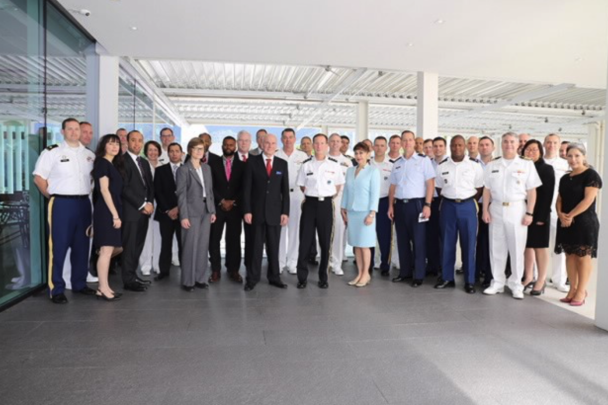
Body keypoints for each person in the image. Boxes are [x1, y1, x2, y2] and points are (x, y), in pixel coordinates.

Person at [33, 118, 97, 303]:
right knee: (58, 247)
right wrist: (52, 197)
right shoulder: (52, 152)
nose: (74, 132)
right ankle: (57, 289)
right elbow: (39, 178)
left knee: (82, 246)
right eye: (70, 129)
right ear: (62, 131)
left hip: (84, 203)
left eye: (77, 129)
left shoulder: (89, 155)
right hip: (61, 204)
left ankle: (79, 283)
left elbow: (92, 181)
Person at [482, 132, 541, 300]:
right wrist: (485, 210)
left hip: (517, 209)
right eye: (506, 141)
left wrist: (530, 212)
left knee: (516, 249)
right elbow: (486, 189)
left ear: (518, 145)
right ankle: (497, 283)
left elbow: (532, 191)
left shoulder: (526, 164)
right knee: (496, 248)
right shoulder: (493, 164)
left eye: (512, 142)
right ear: (501, 144)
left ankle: (516, 285)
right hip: (496, 208)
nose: (508, 144)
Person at [434, 135, 484, 294]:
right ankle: (447, 278)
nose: (457, 148)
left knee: (469, 244)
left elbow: (480, 187)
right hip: (448, 206)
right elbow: (439, 188)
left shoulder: (474, 166)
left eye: (460, 145)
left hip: (468, 206)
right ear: (450, 146)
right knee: (447, 243)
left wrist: (466, 200)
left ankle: (469, 280)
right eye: (454, 145)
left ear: (465, 147)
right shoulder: (442, 166)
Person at [296, 134, 345, 289]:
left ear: (327, 145)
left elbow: (337, 186)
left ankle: (323, 277)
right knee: (304, 241)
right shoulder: (306, 165)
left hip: (326, 205)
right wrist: (313, 195)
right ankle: (302, 278)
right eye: (316, 143)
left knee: (325, 242)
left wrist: (324, 195)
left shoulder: (334, 165)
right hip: (310, 204)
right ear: (312, 145)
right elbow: (302, 185)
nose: (318, 146)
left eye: (322, 143)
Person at [555, 143, 602, 306]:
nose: (573, 159)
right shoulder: (564, 177)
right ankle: (572, 289)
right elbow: (559, 199)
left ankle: (581, 291)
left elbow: (588, 200)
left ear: (584, 156)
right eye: (570, 156)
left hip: (584, 222)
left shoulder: (591, 175)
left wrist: (570, 215)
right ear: (566, 157)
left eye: (577, 155)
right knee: (569, 255)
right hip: (566, 221)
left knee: (583, 257)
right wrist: (561, 214)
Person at [388, 130, 435, 287]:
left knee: (419, 241)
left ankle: (419, 275)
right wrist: (390, 206)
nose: (407, 143)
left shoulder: (423, 161)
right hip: (400, 205)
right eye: (404, 140)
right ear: (401, 143)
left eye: (410, 140)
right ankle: (405, 272)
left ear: (414, 142)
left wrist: (427, 205)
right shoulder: (397, 164)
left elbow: (430, 184)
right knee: (402, 241)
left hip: (417, 205)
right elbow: (393, 186)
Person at [243, 134, 290, 291]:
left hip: (275, 213)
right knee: (255, 247)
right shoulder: (252, 162)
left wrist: (285, 212)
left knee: (273, 247)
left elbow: (285, 191)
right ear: (261, 144)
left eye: (272, 143)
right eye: (267, 143)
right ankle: (252, 278)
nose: (269, 146)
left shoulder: (282, 164)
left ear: (276, 145)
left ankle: (274, 277)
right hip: (256, 213)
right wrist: (247, 210)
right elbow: (247, 189)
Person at [176, 138, 216, 291]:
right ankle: (188, 281)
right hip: (191, 212)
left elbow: (210, 192)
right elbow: (181, 195)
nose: (200, 151)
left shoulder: (207, 168)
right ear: (190, 150)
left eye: (202, 149)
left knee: (202, 247)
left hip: (206, 211)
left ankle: (200, 279)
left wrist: (212, 210)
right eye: (197, 148)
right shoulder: (183, 170)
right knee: (189, 247)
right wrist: (183, 216)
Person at [341, 141, 380, 287]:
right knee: (356, 245)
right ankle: (359, 273)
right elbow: (346, 190)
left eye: (361, 153)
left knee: (365, 245)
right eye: (356, 153)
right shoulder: (350, 171)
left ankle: (366, 274)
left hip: (366, 213)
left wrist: (372, 213)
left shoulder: (373, 171)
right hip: (352, 212)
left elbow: (374, 194)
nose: (358, 156)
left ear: (368, 154)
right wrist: (343, 208)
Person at [91, 134, 125, 301]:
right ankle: (103, 287)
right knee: (106, 251)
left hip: (112, 209)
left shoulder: (112, 164)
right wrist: (115, 215)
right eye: (110, 144)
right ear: (103, 146)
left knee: (110, 250)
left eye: (117, 144)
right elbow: (104, 191)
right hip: (107, 211)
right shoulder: (102, 163)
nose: (114, 147)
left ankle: (102, 287)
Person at [208, 136, 245, 283]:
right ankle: (215, 270)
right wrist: (222, 200)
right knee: (214, 239)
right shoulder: (213, 163)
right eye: (226, 145)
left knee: (234, 240)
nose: (228, 147)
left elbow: (244, 187)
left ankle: (233, 270)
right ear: (222, 146)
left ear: (235, 146)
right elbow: (210, 186)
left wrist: (233, 201)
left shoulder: (243, 165)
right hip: (218, 207)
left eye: (231, 145)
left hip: (235, 208)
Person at [121, 130, 154, 292]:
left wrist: (150, 203)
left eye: (140, 141)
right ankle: (128, 280)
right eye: (133, 140)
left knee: (138, 245)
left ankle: (133, 275)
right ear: (127, 142)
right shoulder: (122, 161)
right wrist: (142, 204)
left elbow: (150, 186)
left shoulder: (144, 162)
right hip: (131, 212)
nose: (137, 144)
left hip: (144, 213)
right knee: (130, 247)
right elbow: (124, 188)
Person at [521, 139, 555, 295]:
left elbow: (547, 195)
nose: (531, 152)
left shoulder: (546, 169)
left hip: (539, 213)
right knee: (527, 246)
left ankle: (541, 280)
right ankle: (528, 277)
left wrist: (540, 217)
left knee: (539, 247)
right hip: (523, 212)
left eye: (535, 150)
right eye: (528, 150)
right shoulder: (521, 167)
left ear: (540, 152)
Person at [276, 128, 309, 275]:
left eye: (291, 137)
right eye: (285, 137)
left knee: (295, 231)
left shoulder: (302, 156)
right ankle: (280, 262)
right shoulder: (276, 154)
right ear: (281, 139)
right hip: (280, 197)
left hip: (297, 196)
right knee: (280, 229)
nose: (288, 140)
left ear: (295, 139)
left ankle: (293, 262)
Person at [543, 133, 570, 292]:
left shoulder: (566, 165)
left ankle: (559, 279)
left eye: (555, 142)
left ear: (559, 145)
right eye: (548, 142)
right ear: (544, 144)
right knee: (538, 246)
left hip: (558, 209)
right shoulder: (537, 163)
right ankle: (535, 277)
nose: (551, 145)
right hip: (540, 209)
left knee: (559, 247)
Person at [153, 142, 183, 281]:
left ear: (182, 153)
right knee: (166, 243)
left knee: (184, 243)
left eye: (177, 151)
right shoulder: (160, 170)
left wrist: (178, 208)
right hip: (166, 214)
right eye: (171, 151)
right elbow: (158, 192)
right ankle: (164, 271)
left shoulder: (188, 169)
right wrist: (168, 210)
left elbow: (189, 193)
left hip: (184, 214)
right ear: (168, 153)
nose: (174, 153)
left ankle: (186, 270)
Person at [328, 133, 353, 276]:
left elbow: (350, 184)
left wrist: (347, 204)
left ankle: (336, 263)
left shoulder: (348, 162)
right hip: (325, 198)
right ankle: (325, 260)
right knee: (323, 231)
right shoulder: (322, 158)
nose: (336, 143)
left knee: (339, 232)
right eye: (333, 141)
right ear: (329, 143)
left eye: (339, 141)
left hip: (341, 199)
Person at [370, 136, 394, 276]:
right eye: (377, 145)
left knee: (385, 236)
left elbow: (393, 187)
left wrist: (391, 205)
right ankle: (369, 263)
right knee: (368, 235)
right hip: (369, 204)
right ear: (373, 147)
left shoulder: (391, 166)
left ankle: (385, 264)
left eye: (382, 145)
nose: (379, 148)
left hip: (385, 202)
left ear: (386, 148)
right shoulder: (367, 165)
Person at [140, 140, 162, 276]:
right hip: (146, 204)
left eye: (155, 150)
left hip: (160, 205)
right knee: (146, 235)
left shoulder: (163, 166)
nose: (153, 152)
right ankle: (145, 264)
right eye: (150, 150)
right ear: (146, 152)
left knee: (159, 235)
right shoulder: (141, 166)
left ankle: (157, 264)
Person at [426, 136, 447, 277]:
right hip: (430, 202)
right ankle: (432, 265)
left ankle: (443, 266)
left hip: (444, 202)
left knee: (444, 236)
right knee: (431, 235)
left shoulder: (450, 163)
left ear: (445, 148)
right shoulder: (427, 163)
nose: (438, 149)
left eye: (440, 146)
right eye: (435, 146)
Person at [476, 136, 495, 287]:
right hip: (476, 206)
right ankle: (475, 273)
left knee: (491, 243)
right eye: (481, 145)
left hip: (493, 208)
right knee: (477, 242)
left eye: (487, 145)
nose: (484, 147)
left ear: (493, 147)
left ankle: (489, 276)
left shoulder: (498, 164)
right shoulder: (472, 165)